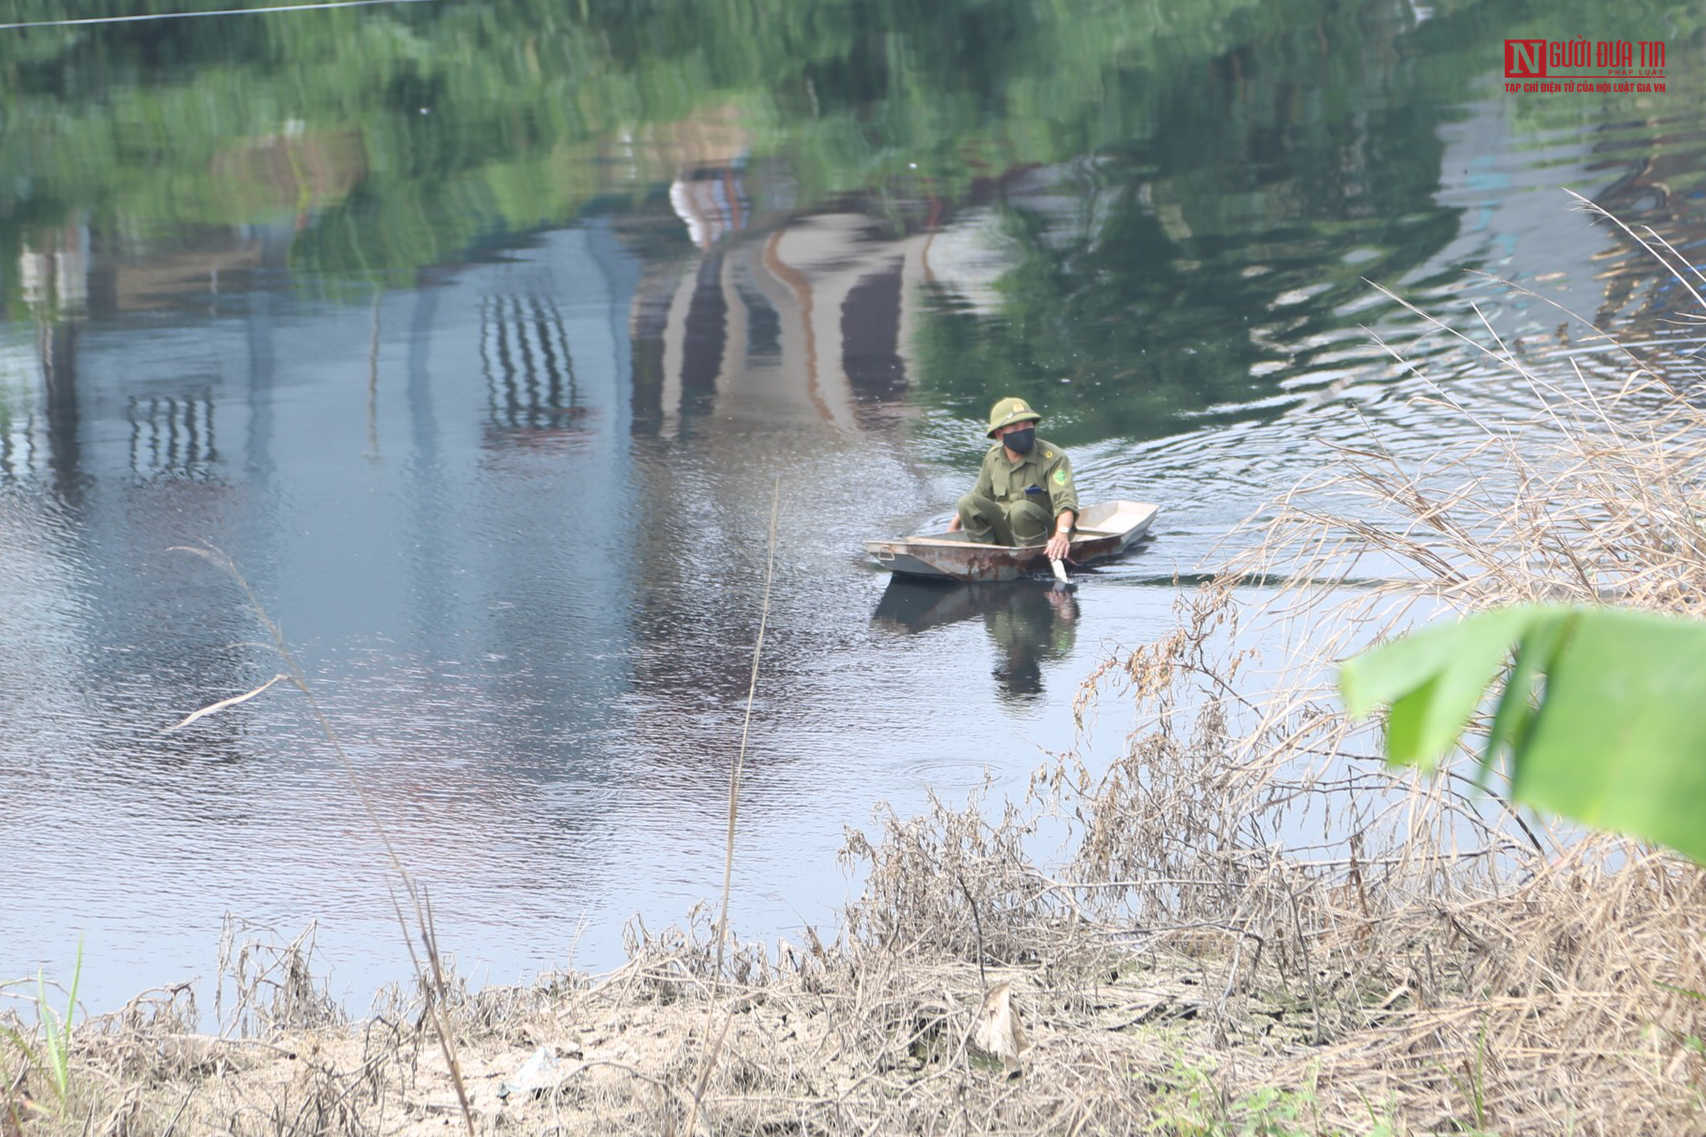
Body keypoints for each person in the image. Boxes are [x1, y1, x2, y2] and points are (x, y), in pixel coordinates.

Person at [948, 396, 1079, 561]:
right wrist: (954, 525)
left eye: (1027, 425)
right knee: (966, 502)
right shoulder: (993, 457)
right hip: (1007, 531)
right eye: (1015, 427)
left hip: (1046, 534)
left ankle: (1031, 559)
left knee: (1020, 509)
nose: (1022, 432)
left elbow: (1066, 503)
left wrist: (1062, 534)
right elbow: (979, 495)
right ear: (999, 434)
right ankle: (988, 557)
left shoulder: (1053, 458)